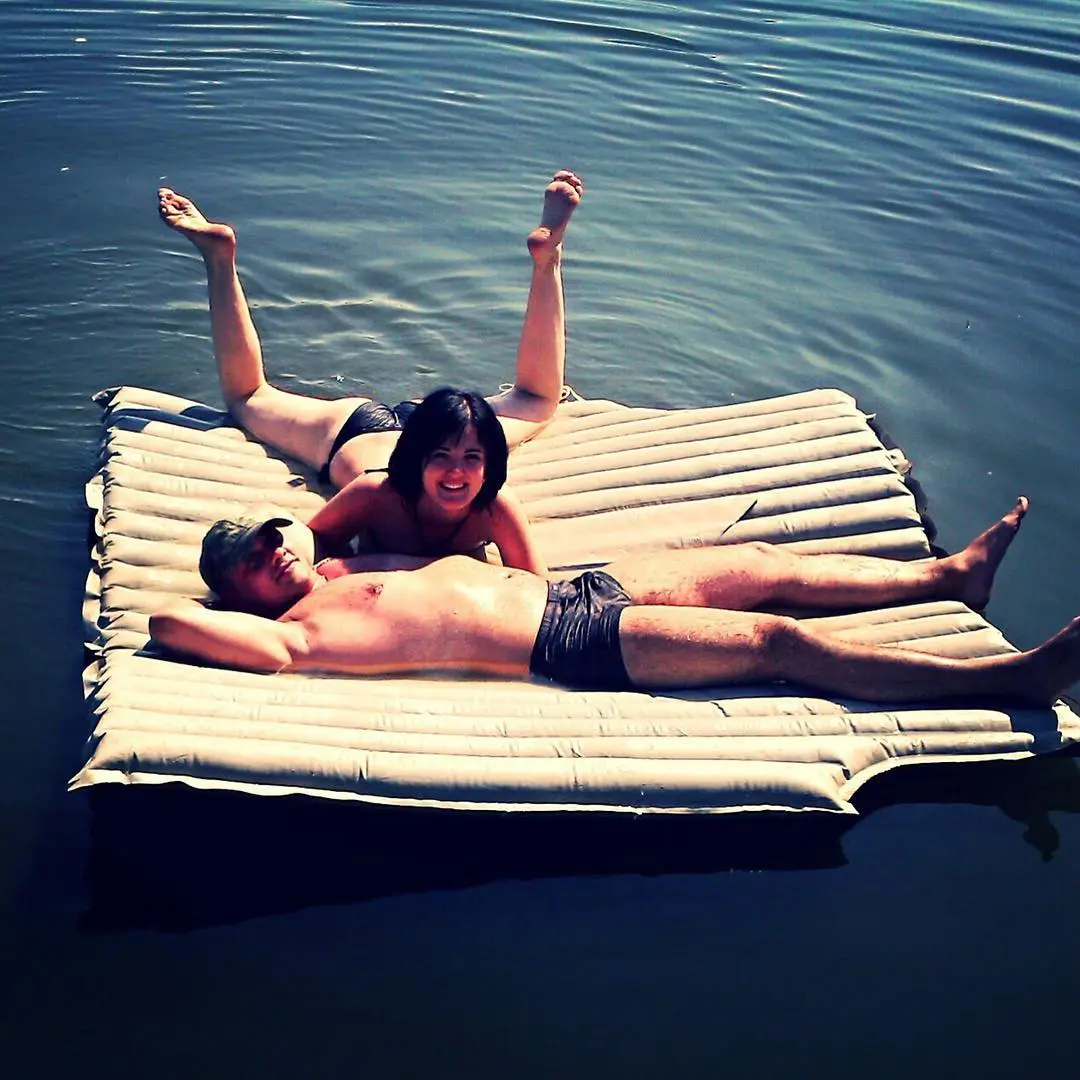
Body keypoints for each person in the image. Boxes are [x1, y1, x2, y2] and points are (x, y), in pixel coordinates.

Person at [149, 497, 1080, 707]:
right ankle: (1009, 681)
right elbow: (165, 622)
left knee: (760, 561)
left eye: (272, 538)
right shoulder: (294, 634)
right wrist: (230, 603)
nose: (277, 551)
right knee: (775, 639)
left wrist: (295, 544)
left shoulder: (337, 569)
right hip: (569, 644)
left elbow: (315, 524)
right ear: (236, 596)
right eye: (255, 560)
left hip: (571, 591)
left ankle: (947, 578)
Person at [156, 170, 583, 489]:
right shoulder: (396, 500)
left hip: (383, 437)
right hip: (426, 432)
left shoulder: (387, 498)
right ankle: (549, 261)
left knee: (249, 396)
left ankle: (219, 259)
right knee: (537, 398)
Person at [306, 386, 545, 573]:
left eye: (472, 458)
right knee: (273, 402)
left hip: (441, 423)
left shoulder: (495, 508)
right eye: (441, 456)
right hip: (355, 430)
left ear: (488, 466)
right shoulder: (375, 492)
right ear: (418, 460)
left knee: (540, 403)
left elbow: (537, 585)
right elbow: (308, 543)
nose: (456, 471)